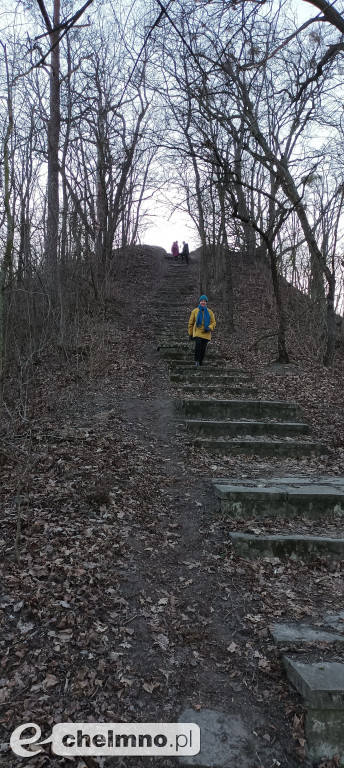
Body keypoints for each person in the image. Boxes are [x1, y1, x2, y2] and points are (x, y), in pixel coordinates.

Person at [188, 295, 216, 366]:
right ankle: (197, 360)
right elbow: (191, 323)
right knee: (198, 344)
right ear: (199, 302)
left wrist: (209, 328)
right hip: (197, 332)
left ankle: (200, 362)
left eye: (204, 301)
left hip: (206, 333)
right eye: (202, 301)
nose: (203, 302)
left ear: (206, 302)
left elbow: (213, 322)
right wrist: (190, 333)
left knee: (203, 348)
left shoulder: (210, 312)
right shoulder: (195, 311)